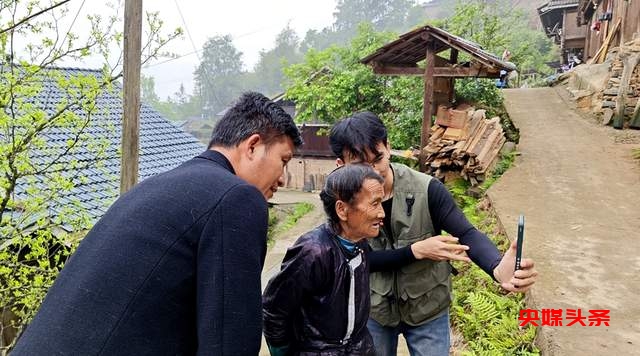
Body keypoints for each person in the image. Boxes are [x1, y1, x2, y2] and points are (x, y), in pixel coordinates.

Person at [12, 92, 302, 355]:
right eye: (284, 160)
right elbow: (229, 342)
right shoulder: (237, 198)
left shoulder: (154, 188)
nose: (282, 179)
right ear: (252, 146)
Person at [329, 112, 537, 356]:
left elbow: (466, 232)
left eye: (378, 159)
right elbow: (351, 260)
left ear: (388, 147)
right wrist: (415, 251)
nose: (372, 171)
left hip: (428, 307)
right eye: (359, 166)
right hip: (374, 310)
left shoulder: (426, 189)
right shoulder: (340, 204)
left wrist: (496, 267)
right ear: (340, 165)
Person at [263, 164, 385, 355]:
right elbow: (275, 308)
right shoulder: (313, 251)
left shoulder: (360, 244)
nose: (382, 213)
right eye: (375, 204)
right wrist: (281, 350)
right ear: (342, 210)